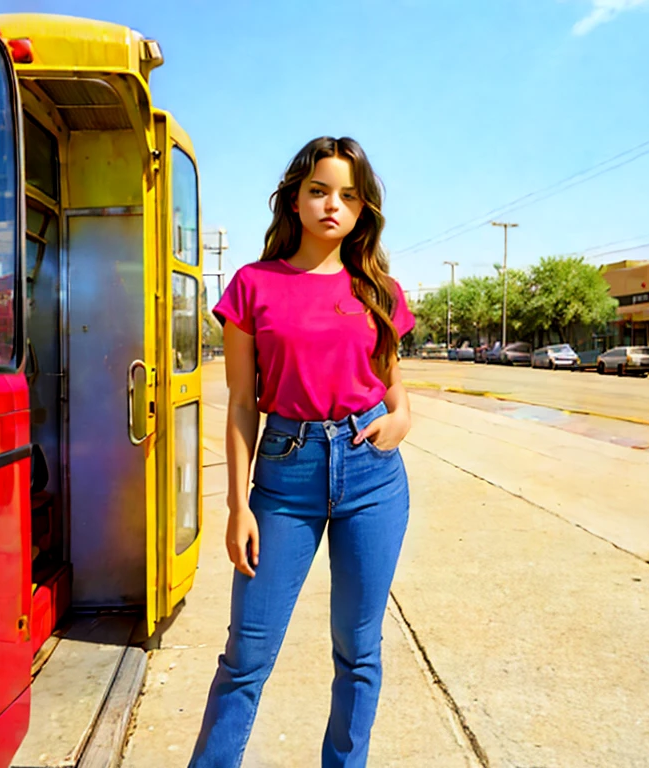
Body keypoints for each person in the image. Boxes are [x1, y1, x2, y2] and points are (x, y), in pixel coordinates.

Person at [188, 137, 415, 768]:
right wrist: (238, 507)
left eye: (347, 195)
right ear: (294, 198)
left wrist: (402, 417)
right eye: (318, 190)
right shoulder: (253, 286)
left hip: (373, 476)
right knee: (247, 655)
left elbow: (393, 383)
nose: (331, 205)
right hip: (285, 477)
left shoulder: (379, 289)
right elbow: (240, 403)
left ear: (363, 209)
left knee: (358, 648)